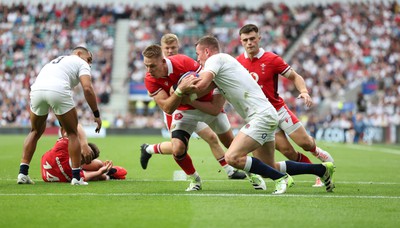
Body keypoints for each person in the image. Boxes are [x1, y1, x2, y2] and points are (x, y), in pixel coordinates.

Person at [187, 35, 335, 194]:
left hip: (262, 116)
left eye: (198, 54)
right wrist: (189, 100)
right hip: (264, 115)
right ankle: (321, 170)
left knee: (232, 157)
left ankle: (281, 178)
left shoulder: (215, 60)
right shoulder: (223, 69)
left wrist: (181, 89)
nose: (197, 59)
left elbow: (201, 84)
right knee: (267, 167)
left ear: (207, 51)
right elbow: (215, 107)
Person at [142, 44, 264, 191]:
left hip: (207, 104)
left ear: (162, 61)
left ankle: (252, 174)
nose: (149, 71)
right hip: (185, 111)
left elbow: (212, 81)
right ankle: (195, 180)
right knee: (178, 148)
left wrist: (190, 96)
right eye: (146, 66)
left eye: (152, 66)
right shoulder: (149, 79)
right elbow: (168, 108)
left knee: (231, 144)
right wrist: (180, 91)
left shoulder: (183, 62)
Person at [236, 24, 335, 186]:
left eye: (252, 39)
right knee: (288, 151)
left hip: (279, 110)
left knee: (305, 143)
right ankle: (319, 171)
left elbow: (295, 76)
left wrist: (304, 91)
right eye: (245, 40)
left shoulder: (272, 59)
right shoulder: (238, 63)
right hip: (262, 116)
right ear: (241, 42)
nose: (249, 43)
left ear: (259, 39)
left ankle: (319, 153)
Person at [17, 46, 102, 186]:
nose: (90, 63)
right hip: (57, 90)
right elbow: (87, 88)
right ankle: (76, 177)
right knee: (73, 132)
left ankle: (22, 173)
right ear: (79, 54)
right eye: (89, 59)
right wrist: (96, 114)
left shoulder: (56, 61)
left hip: (37, 90)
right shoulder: (81, 63)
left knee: (35, 131)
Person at [41, 124, 127, 182]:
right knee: (99, 165)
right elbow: (89, 176)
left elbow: (75, 124)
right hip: (60, 168)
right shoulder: (75, 174)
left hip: (49, 166)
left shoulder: (62, 146)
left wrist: (84, 144)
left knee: (98, 166)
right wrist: (103, 173)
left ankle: (107, 171)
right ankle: (108, 172)